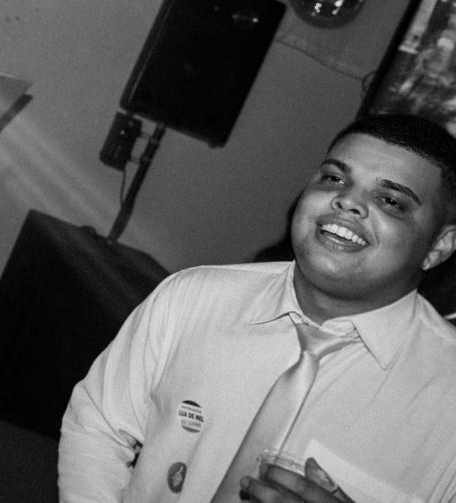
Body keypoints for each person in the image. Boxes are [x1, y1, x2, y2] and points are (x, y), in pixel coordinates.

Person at [59, 112, 456, 502]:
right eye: (335, 178)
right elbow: (98, 425)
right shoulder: (194, 298)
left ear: (438, 246)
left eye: (390, 201)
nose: (347, 201)